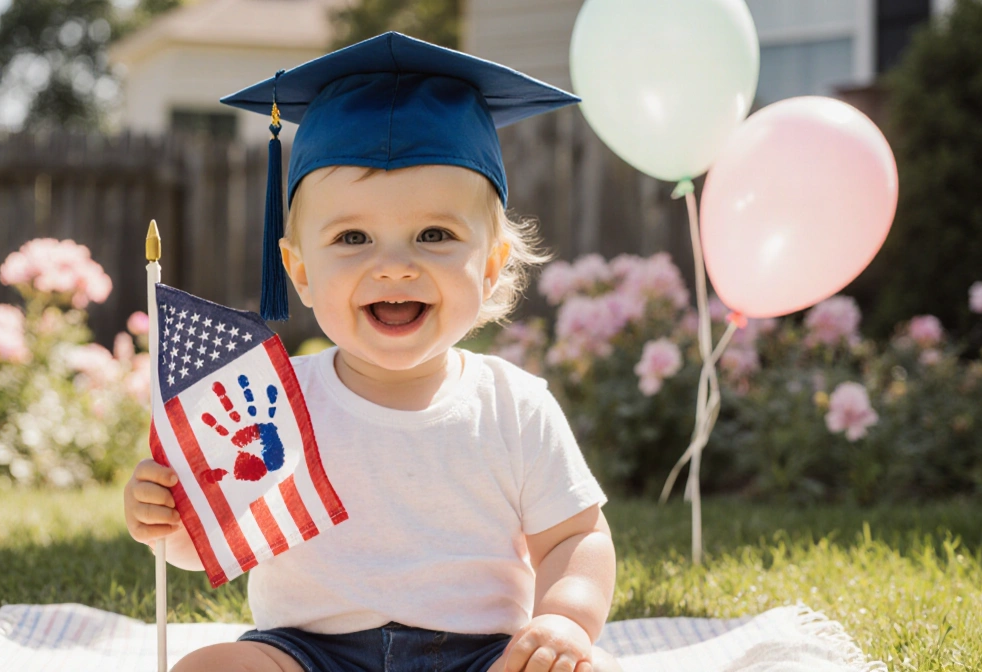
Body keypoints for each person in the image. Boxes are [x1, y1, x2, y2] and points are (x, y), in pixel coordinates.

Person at [124, 32, 619, 672]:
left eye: (434, 234)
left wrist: (563, 619)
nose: (393, 266)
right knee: (209, 668)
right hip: (306, 653)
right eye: (353, 237)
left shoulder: (515, 406)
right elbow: (219, 530)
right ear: (298, 271)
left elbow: (574, 537)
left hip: (481, 655)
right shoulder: (271, 397)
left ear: (493, 265)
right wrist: (168, 516)